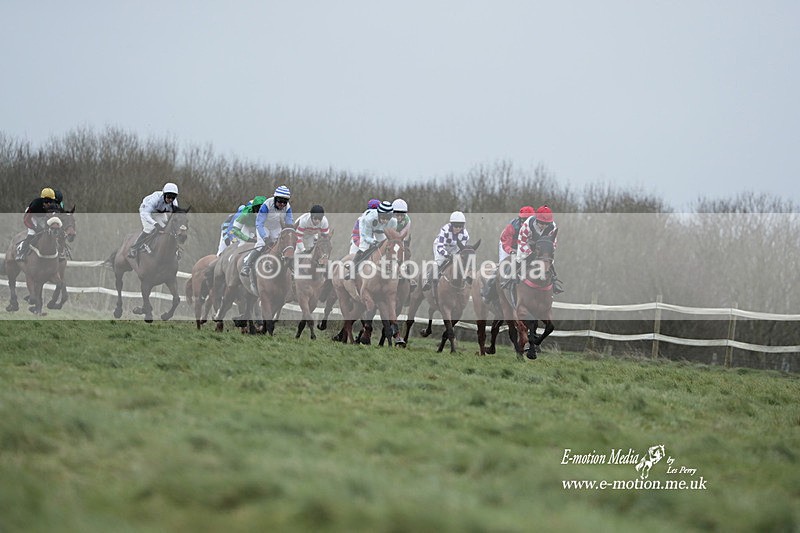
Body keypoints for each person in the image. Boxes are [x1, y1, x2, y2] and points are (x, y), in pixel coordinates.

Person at [240, 186, 293, 278]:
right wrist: (265, 237)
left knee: (285, 243)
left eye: (285, 202)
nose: (282, 204)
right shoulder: (267, 204)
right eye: (280, 201)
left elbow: (289, 223)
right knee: (261, 243)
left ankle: (290, 267)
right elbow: (259, 223)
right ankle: (247, 265)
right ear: (275, 198)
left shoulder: (287, 207)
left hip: (276, 227)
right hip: (264, 226)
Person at [516, 204, 563, 294]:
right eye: (541, 223)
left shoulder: (552, 227)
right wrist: (531, 253)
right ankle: (513, 279)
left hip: (542, 248)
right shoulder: (527, 225)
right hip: (527, 245)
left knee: (549, 262)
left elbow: (553, 244)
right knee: (520, 260)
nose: (543, 226)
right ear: (536, 219)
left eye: (546, 224)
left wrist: (545, 254)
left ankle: (554, 281)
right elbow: (522, 243)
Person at [345, 200, 397, 280]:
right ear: (379, 214)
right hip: (366, 229)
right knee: (364, 247)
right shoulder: (368, 219)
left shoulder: (393, 222)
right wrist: (373, 241)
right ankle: (352, 269)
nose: (385, 221)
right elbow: (365, 236)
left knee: (385, 245)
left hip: (379, 229)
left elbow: (392, 236)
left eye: (387, 219)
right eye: (383, 218)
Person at [128, 182, 180, 258]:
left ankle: (175, 250)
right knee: (150, 228)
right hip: (146, 211)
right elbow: (146, 214)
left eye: (173, 197)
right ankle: (134, 248)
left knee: (166, 227)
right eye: (169, 197)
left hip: (159, 213)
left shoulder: (174, 203)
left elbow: (174, 217)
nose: (170, 199)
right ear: (164, 194)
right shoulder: (155, 199)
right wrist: (155, 223)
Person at [421, 211, 469, 292]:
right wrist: (447, 255)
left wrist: (456, 256)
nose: (458, 228)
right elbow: (440, 247)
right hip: (441, 246)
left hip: (454, 248)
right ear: (451, 225)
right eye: (456, 226)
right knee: (440, 262)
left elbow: (462, 249)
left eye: (460, 226)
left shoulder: (465, 235)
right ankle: (429, 281)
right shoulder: (445, 230)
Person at [16, 188, 60, 260]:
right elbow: (26, 220)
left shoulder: (54, 207)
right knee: (32, 233)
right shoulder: (35, 205)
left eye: (51, 201)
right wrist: (35, 228)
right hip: (31, 217)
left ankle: (61, 253)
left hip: (44, 218)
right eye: (46, 201)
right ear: (42, 200)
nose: (48, 204)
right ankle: (21, 252)